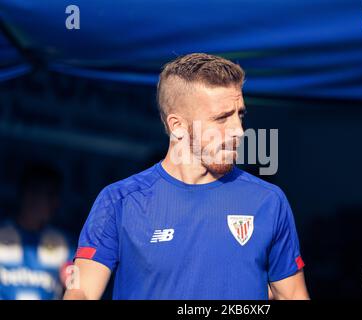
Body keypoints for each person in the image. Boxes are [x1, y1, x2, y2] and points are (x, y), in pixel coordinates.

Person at [64, 53, 309, 300]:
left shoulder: (268, 201)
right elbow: (81, 290)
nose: (238, 130)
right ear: (177, 126)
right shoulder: (119, 201)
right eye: (222, 118)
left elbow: (293, 296)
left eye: (240, 115)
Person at [0, 163, 75, 299]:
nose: (54, 202)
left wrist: (71, 284)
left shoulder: (65, 243)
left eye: (55, 196)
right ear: (26, 194)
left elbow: (78, 287)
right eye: (48, 194)